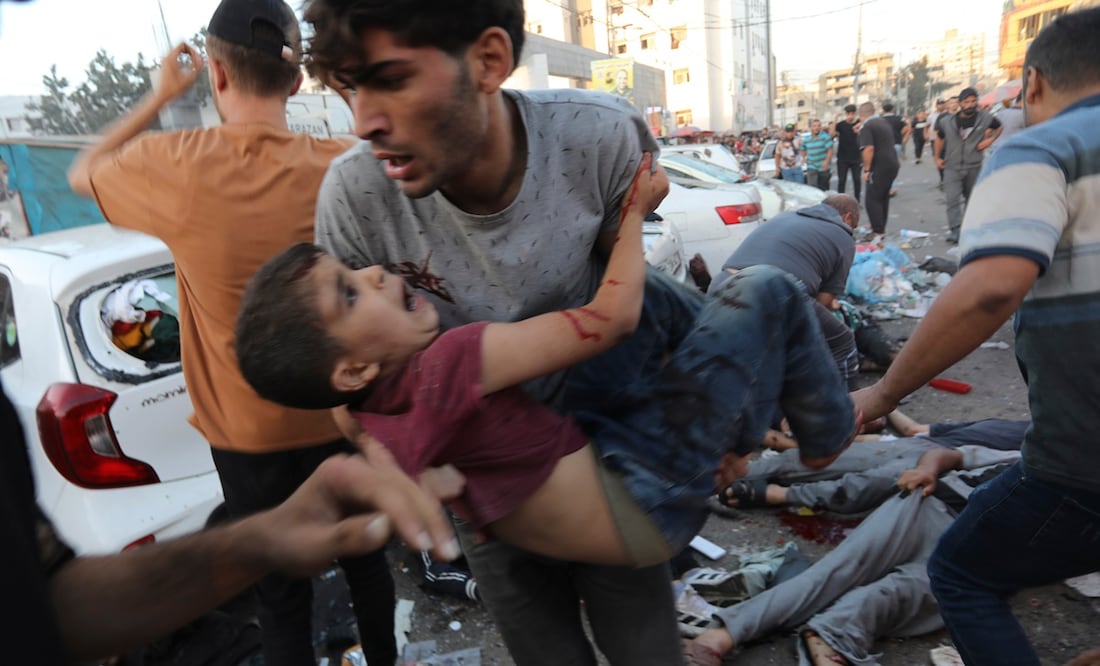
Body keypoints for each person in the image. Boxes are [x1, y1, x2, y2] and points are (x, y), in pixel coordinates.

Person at [299, 1, 696, 663]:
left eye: (390, 80)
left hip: (606, 462)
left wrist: (710, 419)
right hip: (484, 500)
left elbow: (637, 304)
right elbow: (349, 385)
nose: (363, 121)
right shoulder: (355, 196)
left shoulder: (597, 137)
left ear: (488, 61)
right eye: (348, 86)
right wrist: (403, 467)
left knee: (647, 649)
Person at [234, 157, 856, 570]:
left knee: (655, 298)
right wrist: (633, 214)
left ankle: (730, 427)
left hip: (608, 468)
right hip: (645, 500)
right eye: (349, 293)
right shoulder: (448, 362)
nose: (372, 271)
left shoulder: (376, 419)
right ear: (352, 370)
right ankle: (816, 434)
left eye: (350, 272)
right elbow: (605, 322)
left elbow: (366, 434)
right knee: (762, 289)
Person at [65, 1, 401, 663]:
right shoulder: (341, 164)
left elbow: (84, 171)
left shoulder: (178, 164)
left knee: (278, 591)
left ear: (216, 75)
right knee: (367, 557)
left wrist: (163, 93)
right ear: (296, 81)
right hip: (344, 413)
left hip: (247, 439)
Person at [853, 7, 1100, 664]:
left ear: (1033, 82)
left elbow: (991, 286)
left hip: (1085, 465)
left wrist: (879, 399)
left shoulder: (1045, 145)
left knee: (964, 572)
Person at [0, 374, 460, 666]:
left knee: (294, 593)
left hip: (246, 434)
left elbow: (48, 600)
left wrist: (256, 543)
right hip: (285, 429)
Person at [685, 442, 1020, 666]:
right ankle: (723, 634)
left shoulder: (1071, 519)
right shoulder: (1037, 453)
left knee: (894, 594)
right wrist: (927, 470)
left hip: (979, 558)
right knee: (836, 573)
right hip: (932, 507)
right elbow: (950, 455)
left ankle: (829, 636)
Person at [708, 195, 861, 390]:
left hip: (723, 282)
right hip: (771, 291)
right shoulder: (843, 235)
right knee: (842, 341)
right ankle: (852, 410)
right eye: (853, 226)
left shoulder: (786, 217)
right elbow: (824, 301)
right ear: (848, 218)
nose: (851, 230)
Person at [933, 86, 1002, 244]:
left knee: (971, 198)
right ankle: (955, 230)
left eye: (973, 101)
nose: (970, 104)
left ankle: (968, 227)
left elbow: (999, 127)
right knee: (952, 199)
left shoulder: (985, 118)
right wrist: (937, 157)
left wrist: (989, 141)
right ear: (960, 103)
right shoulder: (947, 121)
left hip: (974, 165)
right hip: (952, 166)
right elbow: (939, 138)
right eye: (967, 102)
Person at [857, 101, 900, 243]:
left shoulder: (867, 126)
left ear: (861, 115)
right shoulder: (883, 123)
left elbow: (869, 149)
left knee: (872, 199)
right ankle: (880, 227)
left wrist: (867, 169)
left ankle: (878, 232)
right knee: (883, 198)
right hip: (892, 163)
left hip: (879, 166)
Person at [881, 101, 910, 196]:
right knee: (894, 166)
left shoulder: (880, 119)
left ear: (883, 109)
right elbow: (907, 128)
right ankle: (893, 187)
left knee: (885, 167)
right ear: (892, 109)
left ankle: (887, 187)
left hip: (884, 145)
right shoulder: (898, 118)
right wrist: (900, 135)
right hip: (897, 144)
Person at [834, 104, 862, 201]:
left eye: (852, 114)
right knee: (841, 180)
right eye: (848, 114)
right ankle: (840, 201)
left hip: (856, 157)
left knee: (857, 180)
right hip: (843, 158)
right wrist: (835, 118)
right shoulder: (841, 125)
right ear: (845, 114)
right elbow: (832, 134)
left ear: (855, 114)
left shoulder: (859, 123)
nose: (850, 116)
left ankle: (857, 200)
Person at [801, 119, 834, 191]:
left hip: (823, 166)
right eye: (814, 126)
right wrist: (804, 158)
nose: (816, 128)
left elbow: (830, 150)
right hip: (811, 165)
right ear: (811, 127)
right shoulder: (807, 139)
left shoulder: (825, 137)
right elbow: (803, 148)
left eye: (818, 126)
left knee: (823, 189)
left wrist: (827, 161)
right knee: (812, 188)